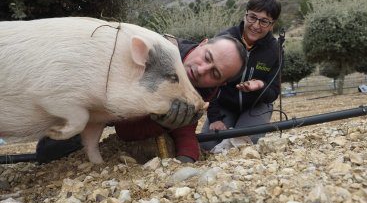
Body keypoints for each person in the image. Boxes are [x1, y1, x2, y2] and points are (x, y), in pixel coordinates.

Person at [36, 35, 247, 164]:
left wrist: (185, 159)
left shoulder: (200, 93)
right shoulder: (156, 51)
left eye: (215, 74)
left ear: (220, 84)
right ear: (202, 43)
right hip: (85, 93)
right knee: (48, 152)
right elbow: (122, 126)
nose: (201, 70)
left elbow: (182, 132)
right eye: (207, 57)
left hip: (117, 115)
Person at [200, 0, 283, 151]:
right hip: (224, 106)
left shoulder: (275, 50)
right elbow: (208, 85)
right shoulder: (224, 39)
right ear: (245, 14)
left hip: (256, 106)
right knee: (207, 145)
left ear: (272, 24)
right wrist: (214, 117)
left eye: (264, 21)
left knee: (246, 143)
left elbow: (274, 92)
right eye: (252, 17)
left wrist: (260, 85)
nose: (256, 26)